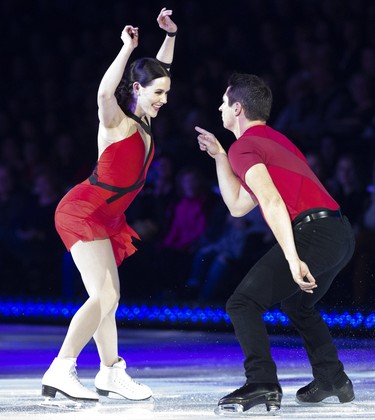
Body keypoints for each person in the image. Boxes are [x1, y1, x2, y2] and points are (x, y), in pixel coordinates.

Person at [195, 73, 355, 413]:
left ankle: (262, 382)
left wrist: (293, 257)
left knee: (242, 304)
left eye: (224, 102)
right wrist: (221, 157)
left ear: (237, 108)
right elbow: (239, 206)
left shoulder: (247, 146)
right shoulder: (273, 141)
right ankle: (333, 379)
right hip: (340, 232)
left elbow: (272, 202)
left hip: (313, 233)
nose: (219, 107)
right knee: (297, 305)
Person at [41, 8, 177, 403]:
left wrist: (170, 36)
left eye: (166, 93)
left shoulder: (146, 119)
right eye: (158, 93)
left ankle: (110, 372)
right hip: (82, 209)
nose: (164, 100)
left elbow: (157, 69)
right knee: (101, 296)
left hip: (107, 215)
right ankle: (62, 368)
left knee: (110, 297)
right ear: (136, 89)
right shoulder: (116, 121)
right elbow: (104, 93)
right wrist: (127, 47)